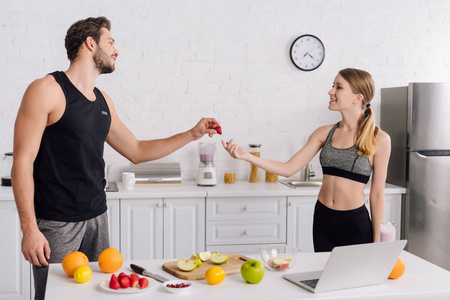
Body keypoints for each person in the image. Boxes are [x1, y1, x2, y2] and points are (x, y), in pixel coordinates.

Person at [11, 16, 221, 300]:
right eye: (110, 42)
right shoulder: (47, 90)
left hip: (98, 217)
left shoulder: (103, 101)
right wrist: (29, 229)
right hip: (57, 223)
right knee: (55, 296)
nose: (116, 50)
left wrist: (191, 134)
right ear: (90, 43)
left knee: (100, 294)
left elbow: (136, 150)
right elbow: (22, 162)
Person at [223, 68, 391, 252]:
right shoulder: (324, 133)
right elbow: (288, 168)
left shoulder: (379, 139)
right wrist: (246, 156)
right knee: (323, 276)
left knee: (356, 279)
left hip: (355, 222)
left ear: (357, 98)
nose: (331, 91)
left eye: (338, 87)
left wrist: (377, 240)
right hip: (323, 219)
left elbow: (377, 194)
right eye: (332, 86)